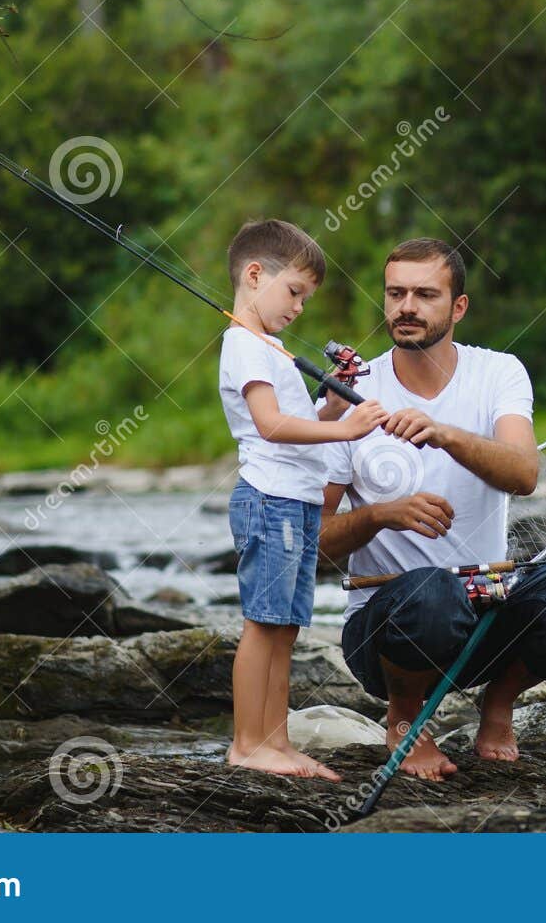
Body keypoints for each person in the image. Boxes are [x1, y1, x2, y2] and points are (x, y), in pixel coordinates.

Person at [319, 238, 546, 781]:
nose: (406, 306)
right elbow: (315, 540)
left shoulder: (499, 373)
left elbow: (523, 474)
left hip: (484, 612)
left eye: (424, 294)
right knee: (432, 591)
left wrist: (444, 433)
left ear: (458, 307)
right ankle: (404, 718)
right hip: (383, 630)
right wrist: (378, 515)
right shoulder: (351, 393)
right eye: (395, 293)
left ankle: (499, 703)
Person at [218, 219, 388, 778]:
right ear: (254, 274)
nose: (298, 308)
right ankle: (247, 744)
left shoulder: (272, 348)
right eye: (293, 292)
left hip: (295, 502)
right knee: (262, 624)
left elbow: (303, 422)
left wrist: (335, 410)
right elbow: (269, 425)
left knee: (286, 626)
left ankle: (277, 741)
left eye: (305, 300)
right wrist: (348, 431)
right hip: (268, 500)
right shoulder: (243, 345)